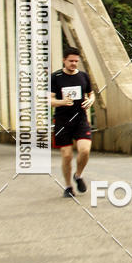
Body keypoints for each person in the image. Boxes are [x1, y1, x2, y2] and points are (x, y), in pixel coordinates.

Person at [50, 47, 95, 198]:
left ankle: (78, 175)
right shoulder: (56, 77)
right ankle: (68, 186)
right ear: (64, 60)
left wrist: (90, 101)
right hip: (62, 122)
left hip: (80, 119)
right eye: (71, 61)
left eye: (76, 61)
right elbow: (49, 100)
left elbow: (91, 94)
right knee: (67, 156)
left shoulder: (83, 76)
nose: (74, 64)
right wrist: (62, 102)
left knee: (85, 150)